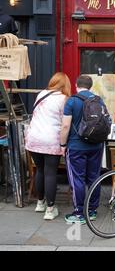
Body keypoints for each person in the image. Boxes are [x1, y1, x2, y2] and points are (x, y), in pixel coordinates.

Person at [60, 75, 107, 224]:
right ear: (90, 86)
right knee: (94, 176)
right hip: (96, 145)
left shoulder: (72, 101)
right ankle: (92, 210)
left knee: (77, 179)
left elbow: (66, 126)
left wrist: (62, 145)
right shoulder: (98, 100)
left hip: (76, 146)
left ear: (76, 85)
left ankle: (79, 213)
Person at [25, 72, 71, 220]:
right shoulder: (64, 99)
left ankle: (40, 203)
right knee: (50, 172)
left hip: (34, 137)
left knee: (40, 170)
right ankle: (50, 210)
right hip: (51, 138)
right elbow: (65, 123)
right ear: (65, 84)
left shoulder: (41, 94)